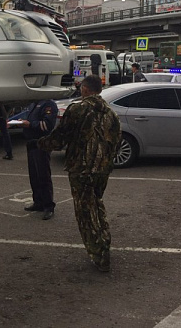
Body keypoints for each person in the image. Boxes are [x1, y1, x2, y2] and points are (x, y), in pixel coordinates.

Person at [38, 75, 121, 272]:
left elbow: (60, 137)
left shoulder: (77, 109)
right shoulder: (111, 113)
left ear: (84, 89)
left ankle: (100, 254)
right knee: (97, 204)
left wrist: (40, 144)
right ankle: (105, 241)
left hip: (82, 169)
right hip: (102, 169)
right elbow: (116, 142)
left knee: (85, 212)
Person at [20, 99, 58, 220]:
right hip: (31, 142)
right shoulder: (33, 104)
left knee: (43, 175)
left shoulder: (49, 104)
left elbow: (47, 125)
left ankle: (48, 206)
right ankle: (38, 202)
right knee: (34, 176)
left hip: (41, 143)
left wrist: (30, 124)